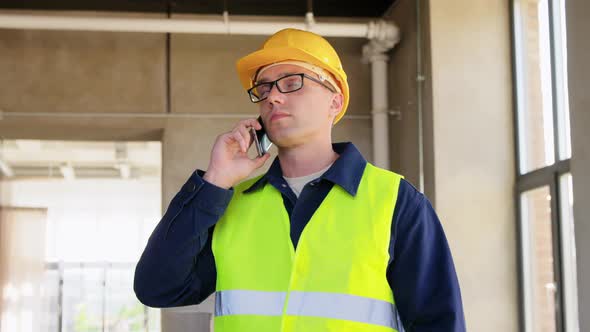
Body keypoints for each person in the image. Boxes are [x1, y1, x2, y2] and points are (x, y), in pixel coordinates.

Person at [134, 28, 466, 332]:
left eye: (292, 82)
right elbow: (158, 288)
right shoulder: (229, 202)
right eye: (263, 89)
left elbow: (439, 323)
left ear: (334, 101)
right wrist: (215, 181)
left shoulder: (397, 201)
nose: (272, 97)